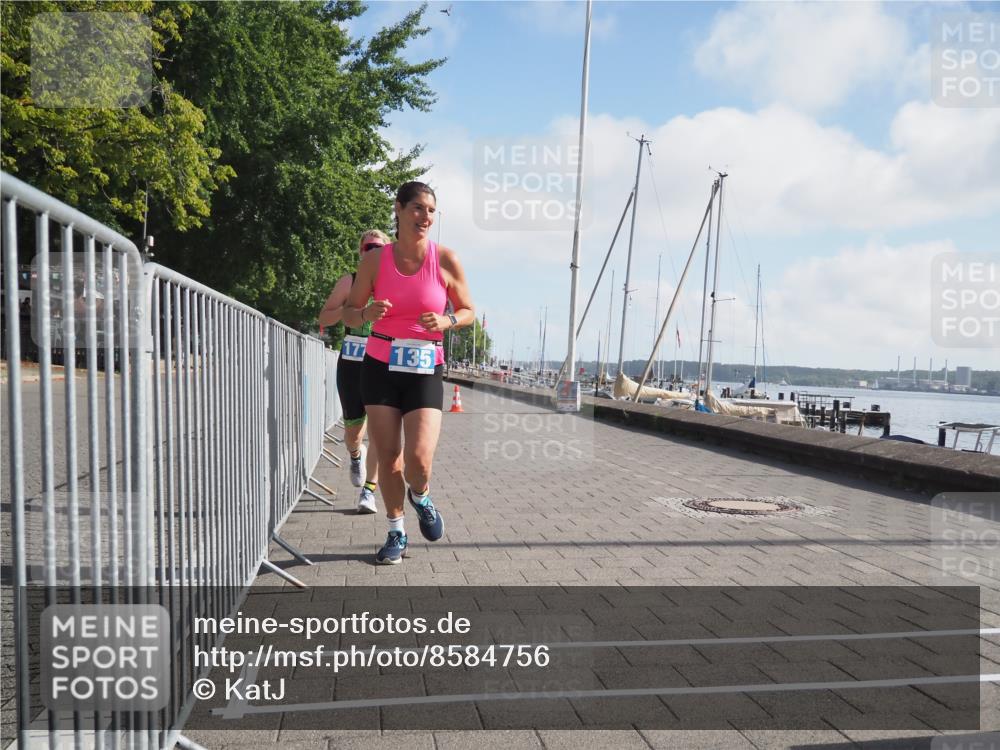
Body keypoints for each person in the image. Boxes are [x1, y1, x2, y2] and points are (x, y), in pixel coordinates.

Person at [343, 182, 474, 564]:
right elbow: (350, 312)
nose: (425, 217)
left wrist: (447, 320)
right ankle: (396, 530)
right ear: (398, 210)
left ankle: (421, 496)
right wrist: (365, 315)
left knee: (419, 461)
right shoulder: (374, 261)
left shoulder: (445, 259)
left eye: (431, 211)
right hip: (380, 365)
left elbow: (468, 310)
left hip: (424, 368)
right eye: (418, 208)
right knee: (389, 457)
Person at [318, 229, 391, 513]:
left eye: (379, 247)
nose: (373, 252)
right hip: (351, 362)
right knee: (354, 433)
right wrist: (349, 308)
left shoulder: (393, 283)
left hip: (383, 362)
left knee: (380, 429)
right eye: (368, 247)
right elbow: (323, 317)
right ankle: (355, 455)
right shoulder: (350, 280)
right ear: (360, 252)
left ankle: (369, 492)